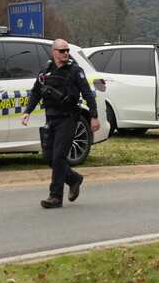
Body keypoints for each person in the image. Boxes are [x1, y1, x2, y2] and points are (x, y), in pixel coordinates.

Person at [22, 39, 100, 209]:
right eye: (62, 51)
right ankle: (73, 179)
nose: (65, 53)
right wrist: (27, 111)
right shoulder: (45, 73)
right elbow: (36, 93)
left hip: (68, 118)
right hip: (51, 118)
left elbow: (88, 94)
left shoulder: (75, 71)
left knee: (58, 157)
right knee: (49, 158)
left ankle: (55, 197)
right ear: (54, 52)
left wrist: (94, 116)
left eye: (67, 51)